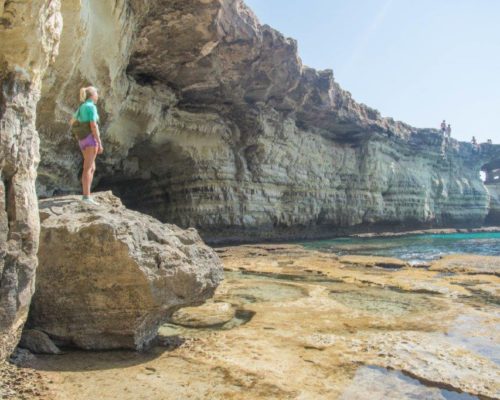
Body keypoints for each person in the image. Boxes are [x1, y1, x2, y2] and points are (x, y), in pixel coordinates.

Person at [70, 86, 104, 205]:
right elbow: (93, 125)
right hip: (90, 139)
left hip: (82, 140)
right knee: (88, 168)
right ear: (92, 95)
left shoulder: (82, 106)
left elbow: (72, 121)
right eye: (96, 93)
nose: (98, 95)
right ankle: (86, 197)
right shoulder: (91, 107)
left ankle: (87, 194)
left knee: (91, 167)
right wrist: (99, 142)